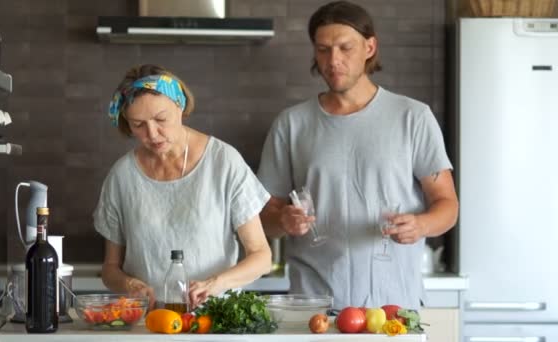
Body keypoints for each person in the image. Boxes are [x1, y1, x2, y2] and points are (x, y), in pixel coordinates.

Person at [257, 1, 459, 310]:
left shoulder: (413, 117)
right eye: (323, 49)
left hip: (393, 309)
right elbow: (262, 216)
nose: (333, 60)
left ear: (369, 46)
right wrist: (282, 220)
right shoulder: (291, 124)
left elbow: (447, 205)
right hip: (315, 310)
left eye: (344, 47)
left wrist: (421, 225)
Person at [93, 64, 272, 309]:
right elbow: (110, 269)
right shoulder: (122, 177)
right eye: (138, 125)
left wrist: (215, 283)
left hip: (214, 321)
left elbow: (261, 257)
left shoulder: (223, 162)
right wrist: (128, 284)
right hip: (149, 324)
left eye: (160, 119)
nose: (152, 134)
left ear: (180, 106)